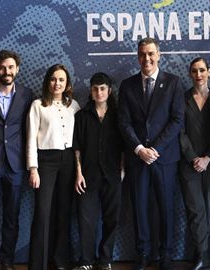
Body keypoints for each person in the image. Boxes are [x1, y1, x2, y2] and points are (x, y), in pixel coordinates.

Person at [117, 37, 184, 270]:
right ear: (138, 57)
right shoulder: (127, 85)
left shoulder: (174, 83)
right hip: (137, 158)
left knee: (166, 207)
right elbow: (123, 121)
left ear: (159, 55)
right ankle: (143, 254)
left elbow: (177, 120)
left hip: (164, 158)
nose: (147, 58)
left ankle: (166, 255)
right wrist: (139, 149)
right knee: (140, 207)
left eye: (151, 54)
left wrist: (155, 149)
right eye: (143, 54)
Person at [0, 50, 32, 270]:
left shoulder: (27, 95)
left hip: (15, 164)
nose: (7, 72)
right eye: (2, 67)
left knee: (12, 216)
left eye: (10, 67)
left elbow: (29, 129)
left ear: (17, 69)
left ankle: (7, 260)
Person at [27, 64, 81, 270]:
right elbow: (31, 138)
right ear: (47, 82)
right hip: (45, 161)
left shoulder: (74, 106)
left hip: (68, 160)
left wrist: (78, 169)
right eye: (53, 79)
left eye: (61, 80)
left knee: (64, 211)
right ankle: (37, 264)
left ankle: (60, 262)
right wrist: (33, 168)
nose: (57, 83)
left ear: (66, 84)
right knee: (43, 211)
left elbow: (78, 143)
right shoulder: (37, 105)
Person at [72, 72, 123, 270]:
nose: (99, 92)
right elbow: (77, 147)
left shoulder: (119, 116)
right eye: (95, 88)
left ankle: (105, 260)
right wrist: (78, 173)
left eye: (102, 88)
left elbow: (125, 144)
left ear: (109, 91)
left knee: (112, 219)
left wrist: (123, 167)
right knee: (87, 220)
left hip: (112, 175)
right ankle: (86, 261)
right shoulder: (82, 116)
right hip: (88, 176)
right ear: (91, 91)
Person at [179, 58, 210, 270]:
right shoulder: (182, 99)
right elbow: (180, 131)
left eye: (202, 70)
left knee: (208, 208)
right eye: (194, 71)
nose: (198, 74)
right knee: (195, 209)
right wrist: (193, 157)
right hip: (189, 163)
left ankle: (202, 254)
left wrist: (208, 158)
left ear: (209, 72)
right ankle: (203, 256)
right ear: (190, 74)